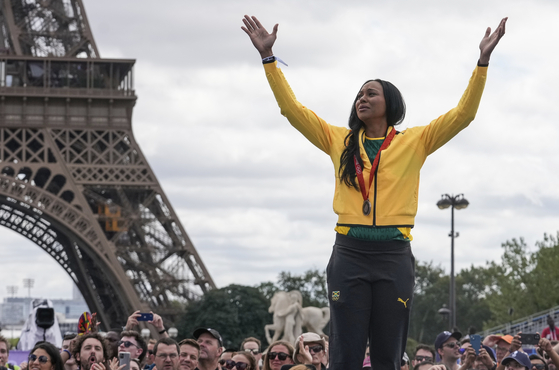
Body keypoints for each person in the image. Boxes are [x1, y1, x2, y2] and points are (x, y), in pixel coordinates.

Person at [241, 13, 507, 370]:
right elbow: (292, 110)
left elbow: (463, 115)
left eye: (371, 93)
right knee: (346, 352)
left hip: (394, 254)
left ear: (390, 103)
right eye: (359, 95)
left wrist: (483, 62)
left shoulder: (415, 141)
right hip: (349, 252)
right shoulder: (339, 140)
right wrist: (268, 59)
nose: (361, 99)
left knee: (387, 354)